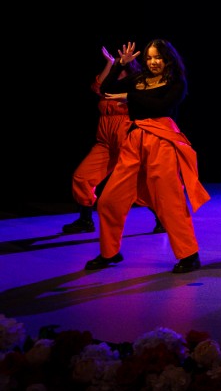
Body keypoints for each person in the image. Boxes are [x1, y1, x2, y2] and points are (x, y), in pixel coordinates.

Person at [87, 39, 209, 274]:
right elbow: (106, 89)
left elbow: (161, 107)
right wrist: (118, 65)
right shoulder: (138, 79)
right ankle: (109, 252)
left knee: (169, 200)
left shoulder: (176, 82)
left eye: (158, 57)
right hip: (134, 140)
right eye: (150, 58)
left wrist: (130, 97)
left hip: (162, 141)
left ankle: (189, 255)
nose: (153, 62)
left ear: (167, 59)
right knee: (109, 200)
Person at [63, 47, 163, 235]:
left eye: (120, 66)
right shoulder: (108, 85)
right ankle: (85, 220)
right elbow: (98, 86)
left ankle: (162, 218)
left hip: (126, 140)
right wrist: (110, 63)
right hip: (105, 142)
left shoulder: (135, 84)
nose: (117, 70)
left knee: (138, 185)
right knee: (82, 177)